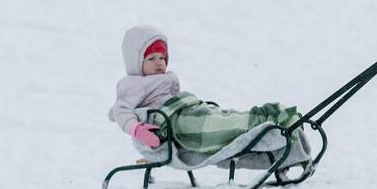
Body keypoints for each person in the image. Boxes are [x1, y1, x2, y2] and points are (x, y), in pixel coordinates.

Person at [108, 25, 310, 169]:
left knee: (222, 117)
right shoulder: (131, 84)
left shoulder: (164, 78)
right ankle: (262, 123)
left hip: (189, 110)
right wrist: (137, 129)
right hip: (176, 123)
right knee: (218, 125)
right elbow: (120, 111)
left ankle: (269, 117)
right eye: (151, 58)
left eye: (162, 57)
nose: (159, 62)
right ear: (135, 62)